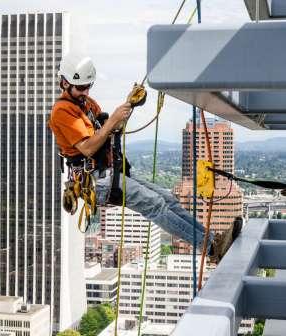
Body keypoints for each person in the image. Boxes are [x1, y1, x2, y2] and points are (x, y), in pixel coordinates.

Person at [48, 51, 240, 263]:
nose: (85, 91)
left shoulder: (88, 105)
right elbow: (87, 148)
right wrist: (113, 120)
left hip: (110, 171)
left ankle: (212, 239)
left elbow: (108, 131)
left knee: (168, 199)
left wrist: (128, 105)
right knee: (156, 205)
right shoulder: (62, 111)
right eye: (81, 87)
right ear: (65, 83)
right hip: (96, 180)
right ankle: (212, 248)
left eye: (88, 86)